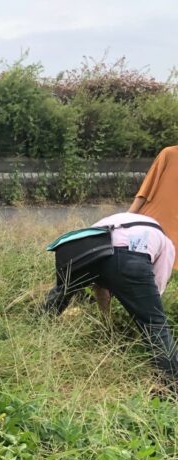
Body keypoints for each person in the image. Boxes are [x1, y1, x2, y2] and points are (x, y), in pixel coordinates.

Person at [43, 212, 177, 387]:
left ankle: (36, 330)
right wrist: (139, 312)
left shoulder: (116, 220)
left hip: (82, 252)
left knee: (60, 296)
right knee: (155, 325)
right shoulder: (167, 244)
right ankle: (171, 385)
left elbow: (100, 283)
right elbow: (156, 289)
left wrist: (106, 323)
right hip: (130, 256)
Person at [130, 145, 178, 266]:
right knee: (133, 267)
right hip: (150, 225)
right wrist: (127, 217)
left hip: (173, 232)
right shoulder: (169, 154)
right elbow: (146, 189)